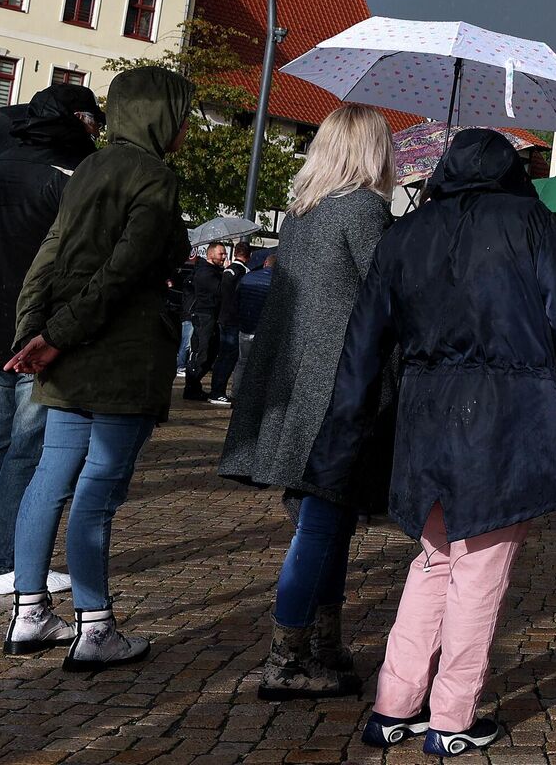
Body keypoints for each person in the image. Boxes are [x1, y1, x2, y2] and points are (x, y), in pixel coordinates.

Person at [304, 129, 556, 754]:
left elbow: (361, 346)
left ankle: (393, 706)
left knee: (432, 564)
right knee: (479, 571)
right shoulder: (530, 224)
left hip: (425, 418)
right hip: (504, 419)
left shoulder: (405, 232)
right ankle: (452, 717)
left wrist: (338, 439)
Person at [1, 66, 193, 671]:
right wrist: (50, 337)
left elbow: (49, 255)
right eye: (182, 113)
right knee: (97, 494)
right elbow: (123, 272)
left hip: (72, 350)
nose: (186, 126)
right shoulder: (155, 179)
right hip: (119, 356)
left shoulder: (89, 168)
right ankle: (96, 628)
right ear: (160, 116)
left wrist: (33, 331)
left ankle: (29, 612)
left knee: (49, 482)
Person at [216, 105, 396, 700]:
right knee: (321, 524)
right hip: (338, 387)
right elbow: (387, 294)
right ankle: (288, 657)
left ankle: (322, 643)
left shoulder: (302, 213)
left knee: (328, 521)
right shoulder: (365, 209)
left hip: (298, 382)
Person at [0, 84, 102, 596]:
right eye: (93, 122)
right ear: (77, 120)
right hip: (36, 328)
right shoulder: (68, 176)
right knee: (24, 447)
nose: (96, 131)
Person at [206, 242, 251, 403]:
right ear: (248, 256)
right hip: (234, 319)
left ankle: (216, 389)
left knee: (222, 355)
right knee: (229, 356)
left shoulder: (227, 271)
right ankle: (218, 391)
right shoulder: (244, 272)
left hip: (223, 317)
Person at [183, 242, 228, 401]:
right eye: (221, 254)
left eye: (224, 254)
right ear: (210, 254)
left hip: (209, 315)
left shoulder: (211, 271)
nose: (224, 257)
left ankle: (194, 386)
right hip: (204, 315)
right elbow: (221, 290)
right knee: (202, 351)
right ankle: (191, 386)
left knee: (209, 350)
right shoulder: (205, 273)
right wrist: (227, 275)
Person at [233, 249, 274, 374]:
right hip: (263, 328)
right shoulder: (277, 282)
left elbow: (237, 299)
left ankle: (236, 391)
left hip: (245, 325)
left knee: (242, 362)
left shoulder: (248, 276)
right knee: (259, 365)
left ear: (265, 263)